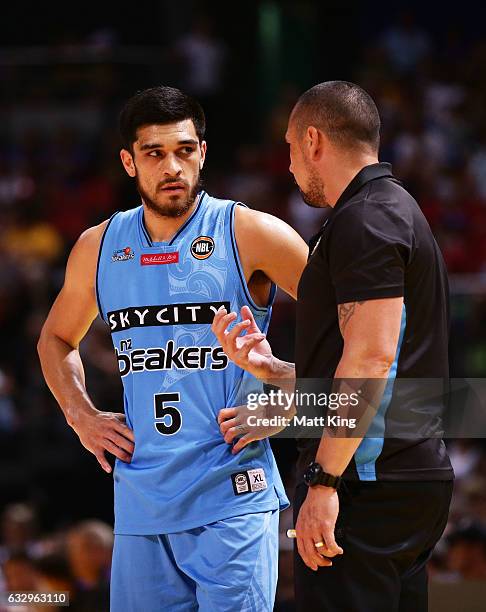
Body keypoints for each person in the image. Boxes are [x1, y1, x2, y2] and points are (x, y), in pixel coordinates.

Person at [37, 86, 308, 611]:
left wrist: (293, 397)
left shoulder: (248, 231)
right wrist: (81, 415)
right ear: (128, 162)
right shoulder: (98, 247)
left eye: (184, 150)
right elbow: (55, 338)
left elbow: (356, 325)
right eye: (154, 153)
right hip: (141, 506)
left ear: (202, 153)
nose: (172, 167)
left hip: (232, 497)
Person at [212, 80, 454, 612]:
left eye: (292, 147)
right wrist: (280, 372)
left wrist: (324, 481)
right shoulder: (393, 209)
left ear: (315, 140)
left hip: (367, 481)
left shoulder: (364, 219)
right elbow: (383, 363)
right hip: (403, 472)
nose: (291, 164)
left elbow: (372, 358)